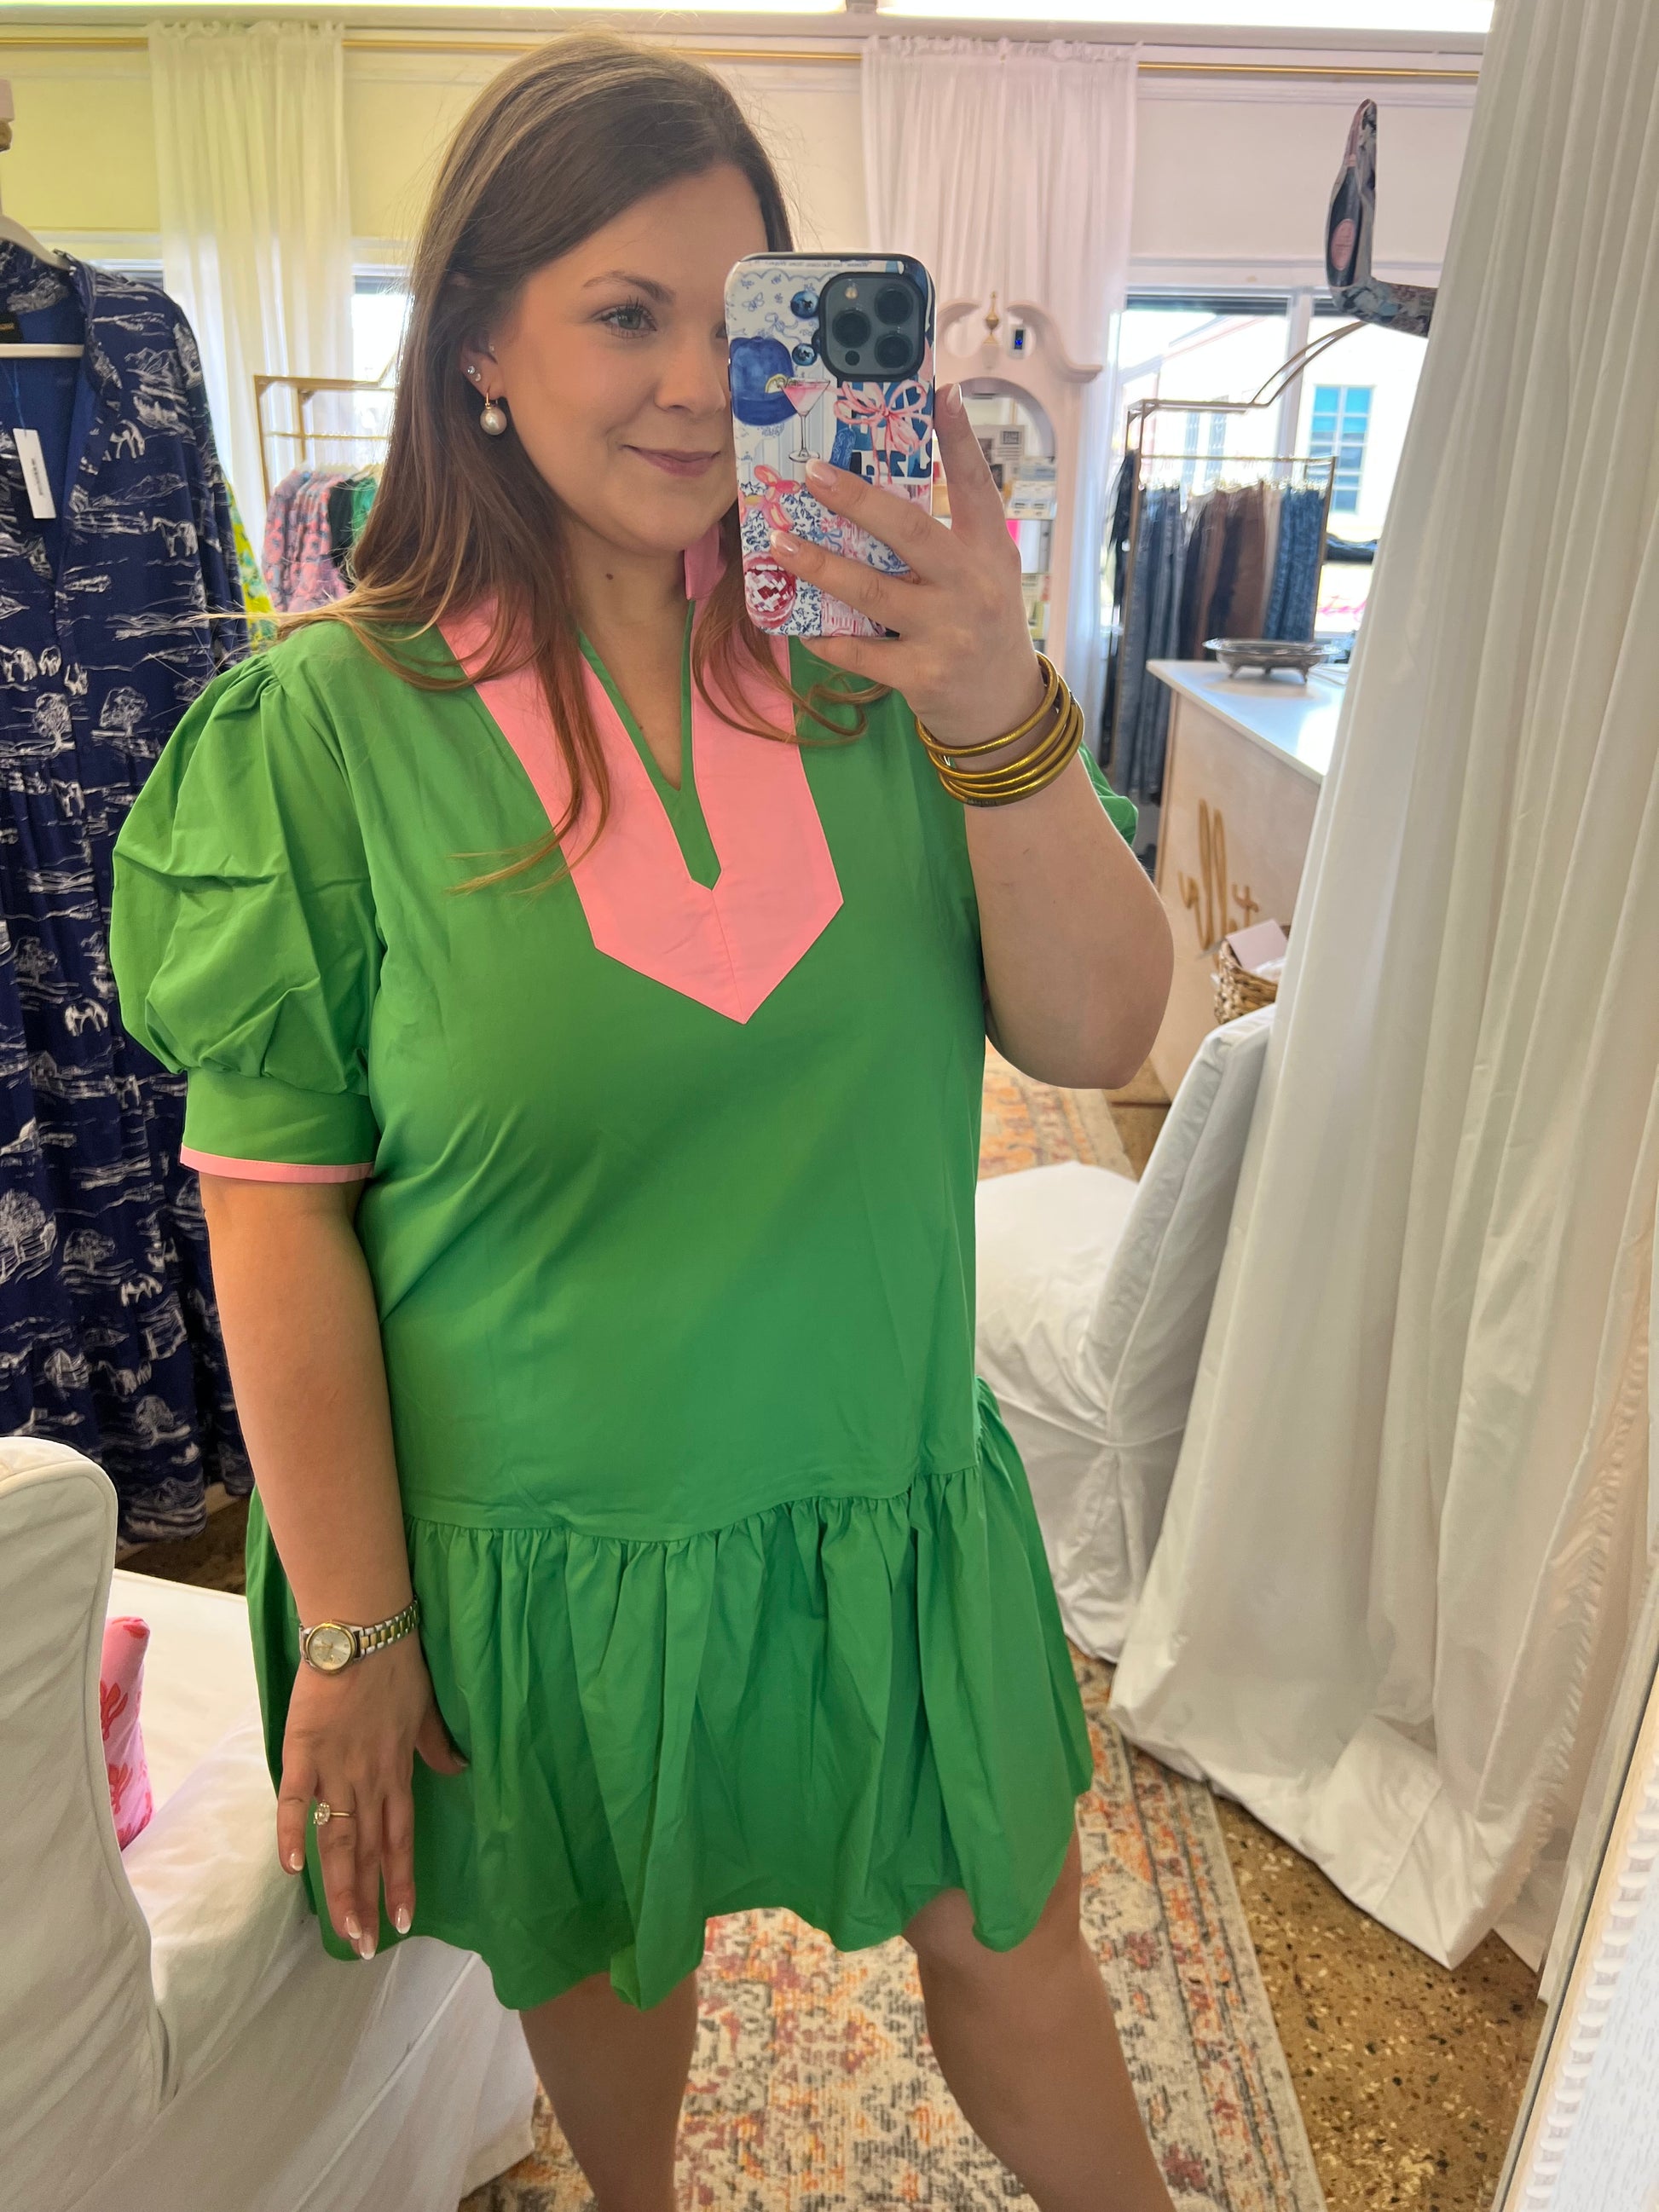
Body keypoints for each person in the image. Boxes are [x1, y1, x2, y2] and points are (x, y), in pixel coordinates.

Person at [110, 32, 1174, 2212]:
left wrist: (996, 694)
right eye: (626, 313)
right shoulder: (323, 730)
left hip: (878, 1499)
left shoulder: (889, 671)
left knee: (1017, 1945)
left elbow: (1097, 1027)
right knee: (608, 1961)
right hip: (542, 1556)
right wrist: (355, 1623)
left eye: (743, 315)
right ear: (477, 345)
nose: (700, 384)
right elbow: (275, 1211)